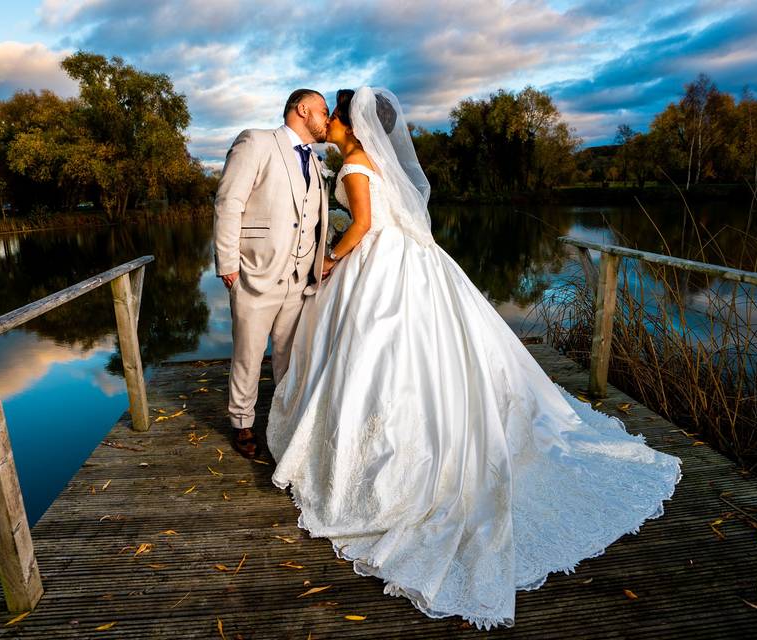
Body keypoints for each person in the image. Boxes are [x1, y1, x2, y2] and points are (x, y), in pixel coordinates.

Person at [267, 87, 681, 629]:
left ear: (346, 121)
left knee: (378, 352)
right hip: (409, 261)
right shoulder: (366, 160)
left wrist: (328, 260)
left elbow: (364, 225)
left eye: (333, 114)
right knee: (416, 355)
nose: (328, 121)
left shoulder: (354, 163)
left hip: (380, 264)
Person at [214, 89, 330, 458]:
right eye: (324, 112)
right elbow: (229, 201)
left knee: (288, 356)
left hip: (300, 280)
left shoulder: (315, 160)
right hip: (255, 272)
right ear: (303, 109)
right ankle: (242, 423)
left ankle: (281, 420)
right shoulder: (257, 142)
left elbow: (311, 219)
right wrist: (228, 264)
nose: (327, 120)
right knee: (248, 355)